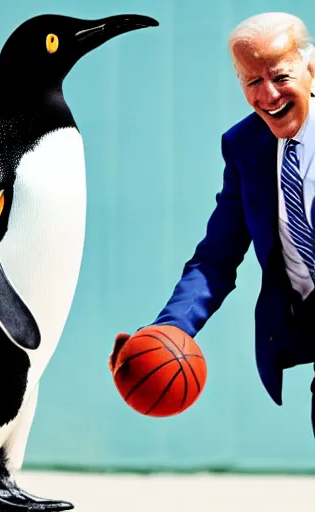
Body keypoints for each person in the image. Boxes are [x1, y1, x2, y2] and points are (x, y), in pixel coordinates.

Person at [110, 12, 315, 431]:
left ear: (310, 68)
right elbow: (215, 259)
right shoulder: (245, 147)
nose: (268, 94)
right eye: (252, 82)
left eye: (279, 75)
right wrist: (165, 334)